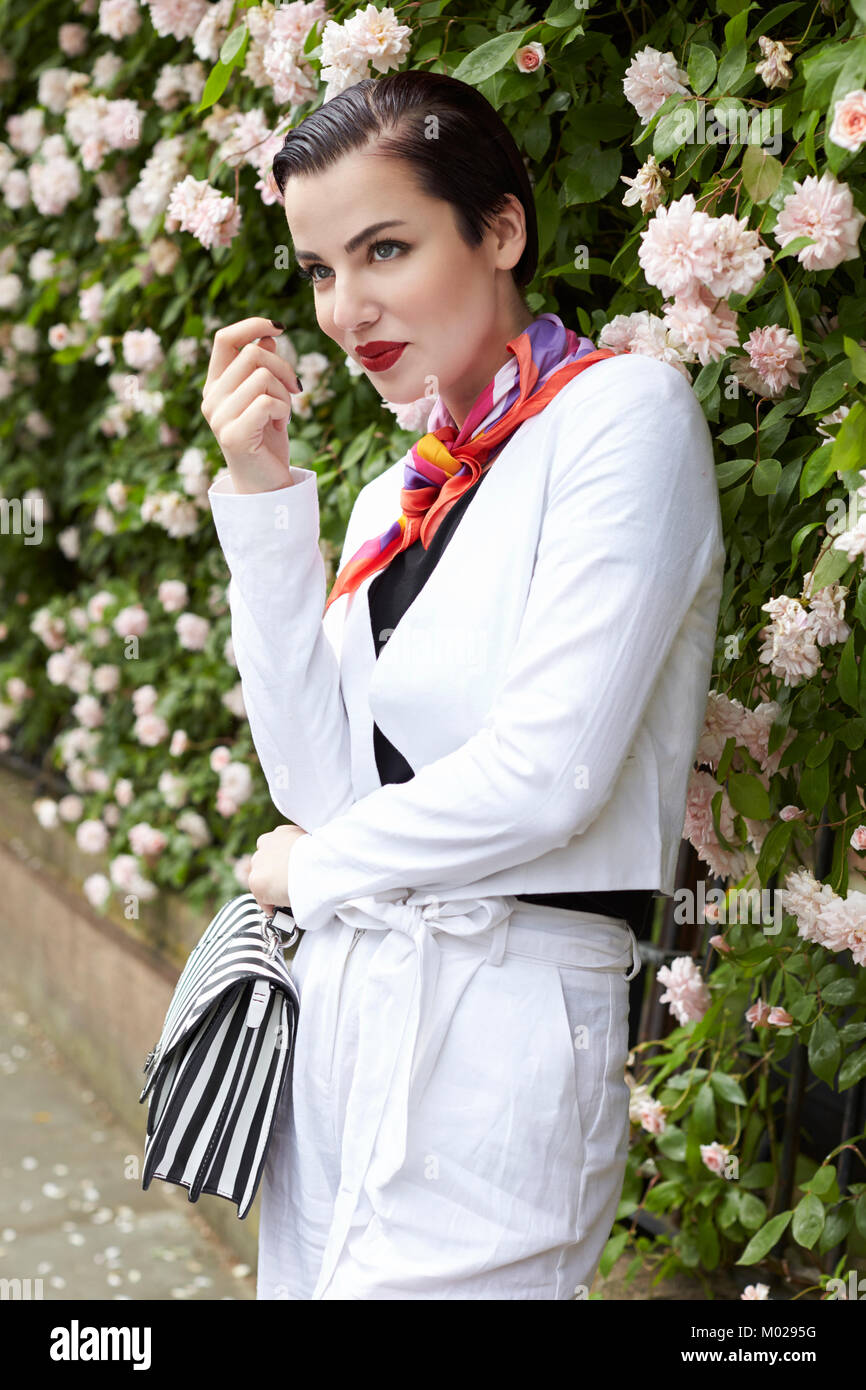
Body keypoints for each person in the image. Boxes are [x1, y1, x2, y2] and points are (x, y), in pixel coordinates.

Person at [202, 71, 725, 1300]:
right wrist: (266, 498)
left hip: (504, 1023)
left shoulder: (619, 419)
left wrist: (313, 870)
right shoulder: (400, 491)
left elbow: (548, 777)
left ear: (499, 230)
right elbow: (316, 779)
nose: (345, 307)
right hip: (342, 1008)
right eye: (321, 269)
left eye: (384, 248)